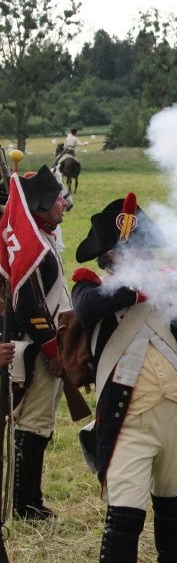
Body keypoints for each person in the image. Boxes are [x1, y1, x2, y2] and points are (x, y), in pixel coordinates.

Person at [71, 195, 177, 563]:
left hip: (175, 409)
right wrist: (140, 286)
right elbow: (87, 308)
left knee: (174, 504)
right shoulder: (90, 286)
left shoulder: (167, 283)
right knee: (126, 514)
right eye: (138, 250)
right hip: (127, 417)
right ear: (113, 255)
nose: (148, 256)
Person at [9, 166, 70, 521]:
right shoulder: (35, 249)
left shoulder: (43, 240)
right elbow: (28, 306)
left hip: (44, 348)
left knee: (40, 427)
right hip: (37, 352)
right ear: (44, 205)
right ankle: (25, 505)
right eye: (58, 198)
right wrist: (53, 350)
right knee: (33, 427)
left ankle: (30, 500)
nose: (64, 203)